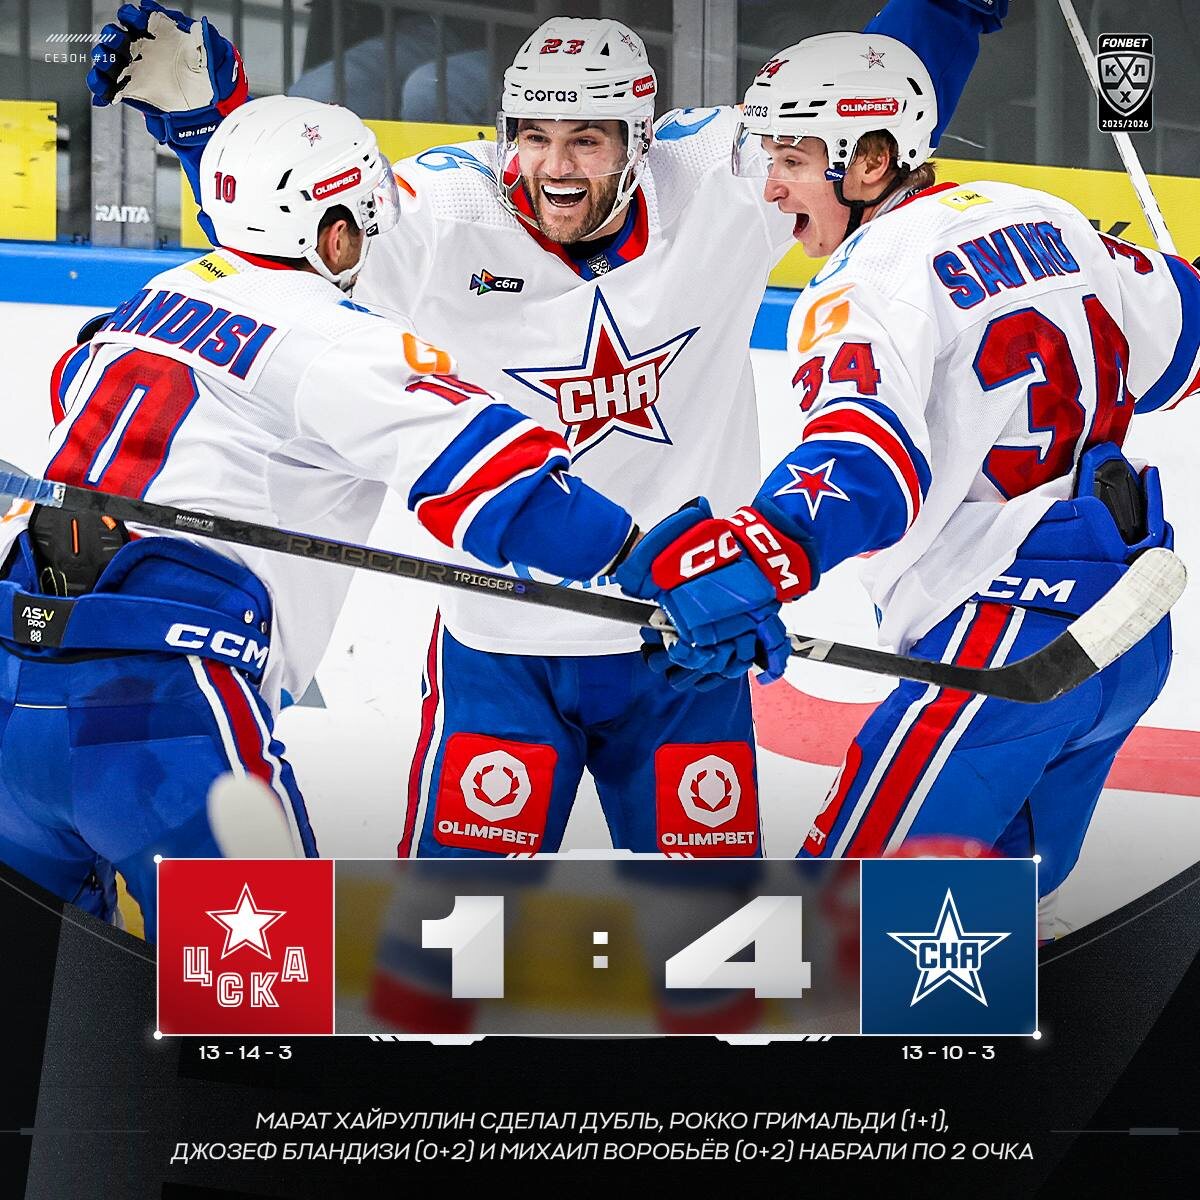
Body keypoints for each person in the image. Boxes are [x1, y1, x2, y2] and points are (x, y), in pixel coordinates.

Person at [87, 1, 1007, 860]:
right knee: (451, 943)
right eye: (533, 136)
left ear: (640, 141)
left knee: (710, 933)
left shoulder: (718, 178)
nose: (555, 167)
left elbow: (861, 97)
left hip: (685, 651)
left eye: (586, 140)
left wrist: (950, 8)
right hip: (502, 647)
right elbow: (282, 238)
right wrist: (210, 127)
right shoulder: (439, 208)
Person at [0, 95, 640, 940]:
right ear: (332, 234)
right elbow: (502, 485)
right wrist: (654, 563)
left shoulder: (153, 298)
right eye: (364, 222)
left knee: (42, 1009)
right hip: (162, 716)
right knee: (264, 1003)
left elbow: (73, 394)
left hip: (12, 685)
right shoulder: (336, 337)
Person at [614, 30, 1195, 924]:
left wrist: (746, 566)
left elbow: (864, 463)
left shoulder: (867, 279)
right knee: (973, 935)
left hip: (1006, 640)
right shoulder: (1048, 216)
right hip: (1129, 631)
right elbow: (1181, 344)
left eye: (795, 161)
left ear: (872, 160)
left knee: (841, 928)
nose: (772, 188)